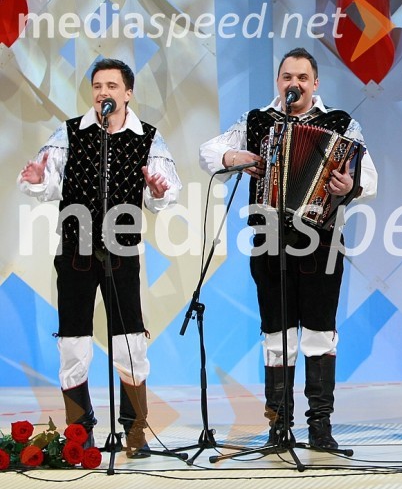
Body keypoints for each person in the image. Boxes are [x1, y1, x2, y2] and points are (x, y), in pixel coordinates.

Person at [199, 47, 378, 450]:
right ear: (278, 83)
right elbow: (207, 152)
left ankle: (320, 426)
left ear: (315, 84)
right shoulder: (257, 121)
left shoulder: (342, 124)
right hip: (269, 240)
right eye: (286, 77)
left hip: (323, 241)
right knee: (276, 333)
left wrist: (350, 187)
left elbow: (370, 176)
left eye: (301, 78)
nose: (293, 84)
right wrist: (234, 156)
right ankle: (279, 426)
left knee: (319, 332)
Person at [18, 58, 182, 457]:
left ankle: (135, 431)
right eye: (97, 86)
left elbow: (166, 193)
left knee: (130, 343)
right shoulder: (69, 132)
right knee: (73, 342)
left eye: (111, 86)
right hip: (75, 253)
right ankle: (81, 431)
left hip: (122, 254)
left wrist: (159, 191)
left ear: (128, 94)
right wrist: (38, 181)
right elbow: (42, 180)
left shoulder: (148, 137)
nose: (103, 93)